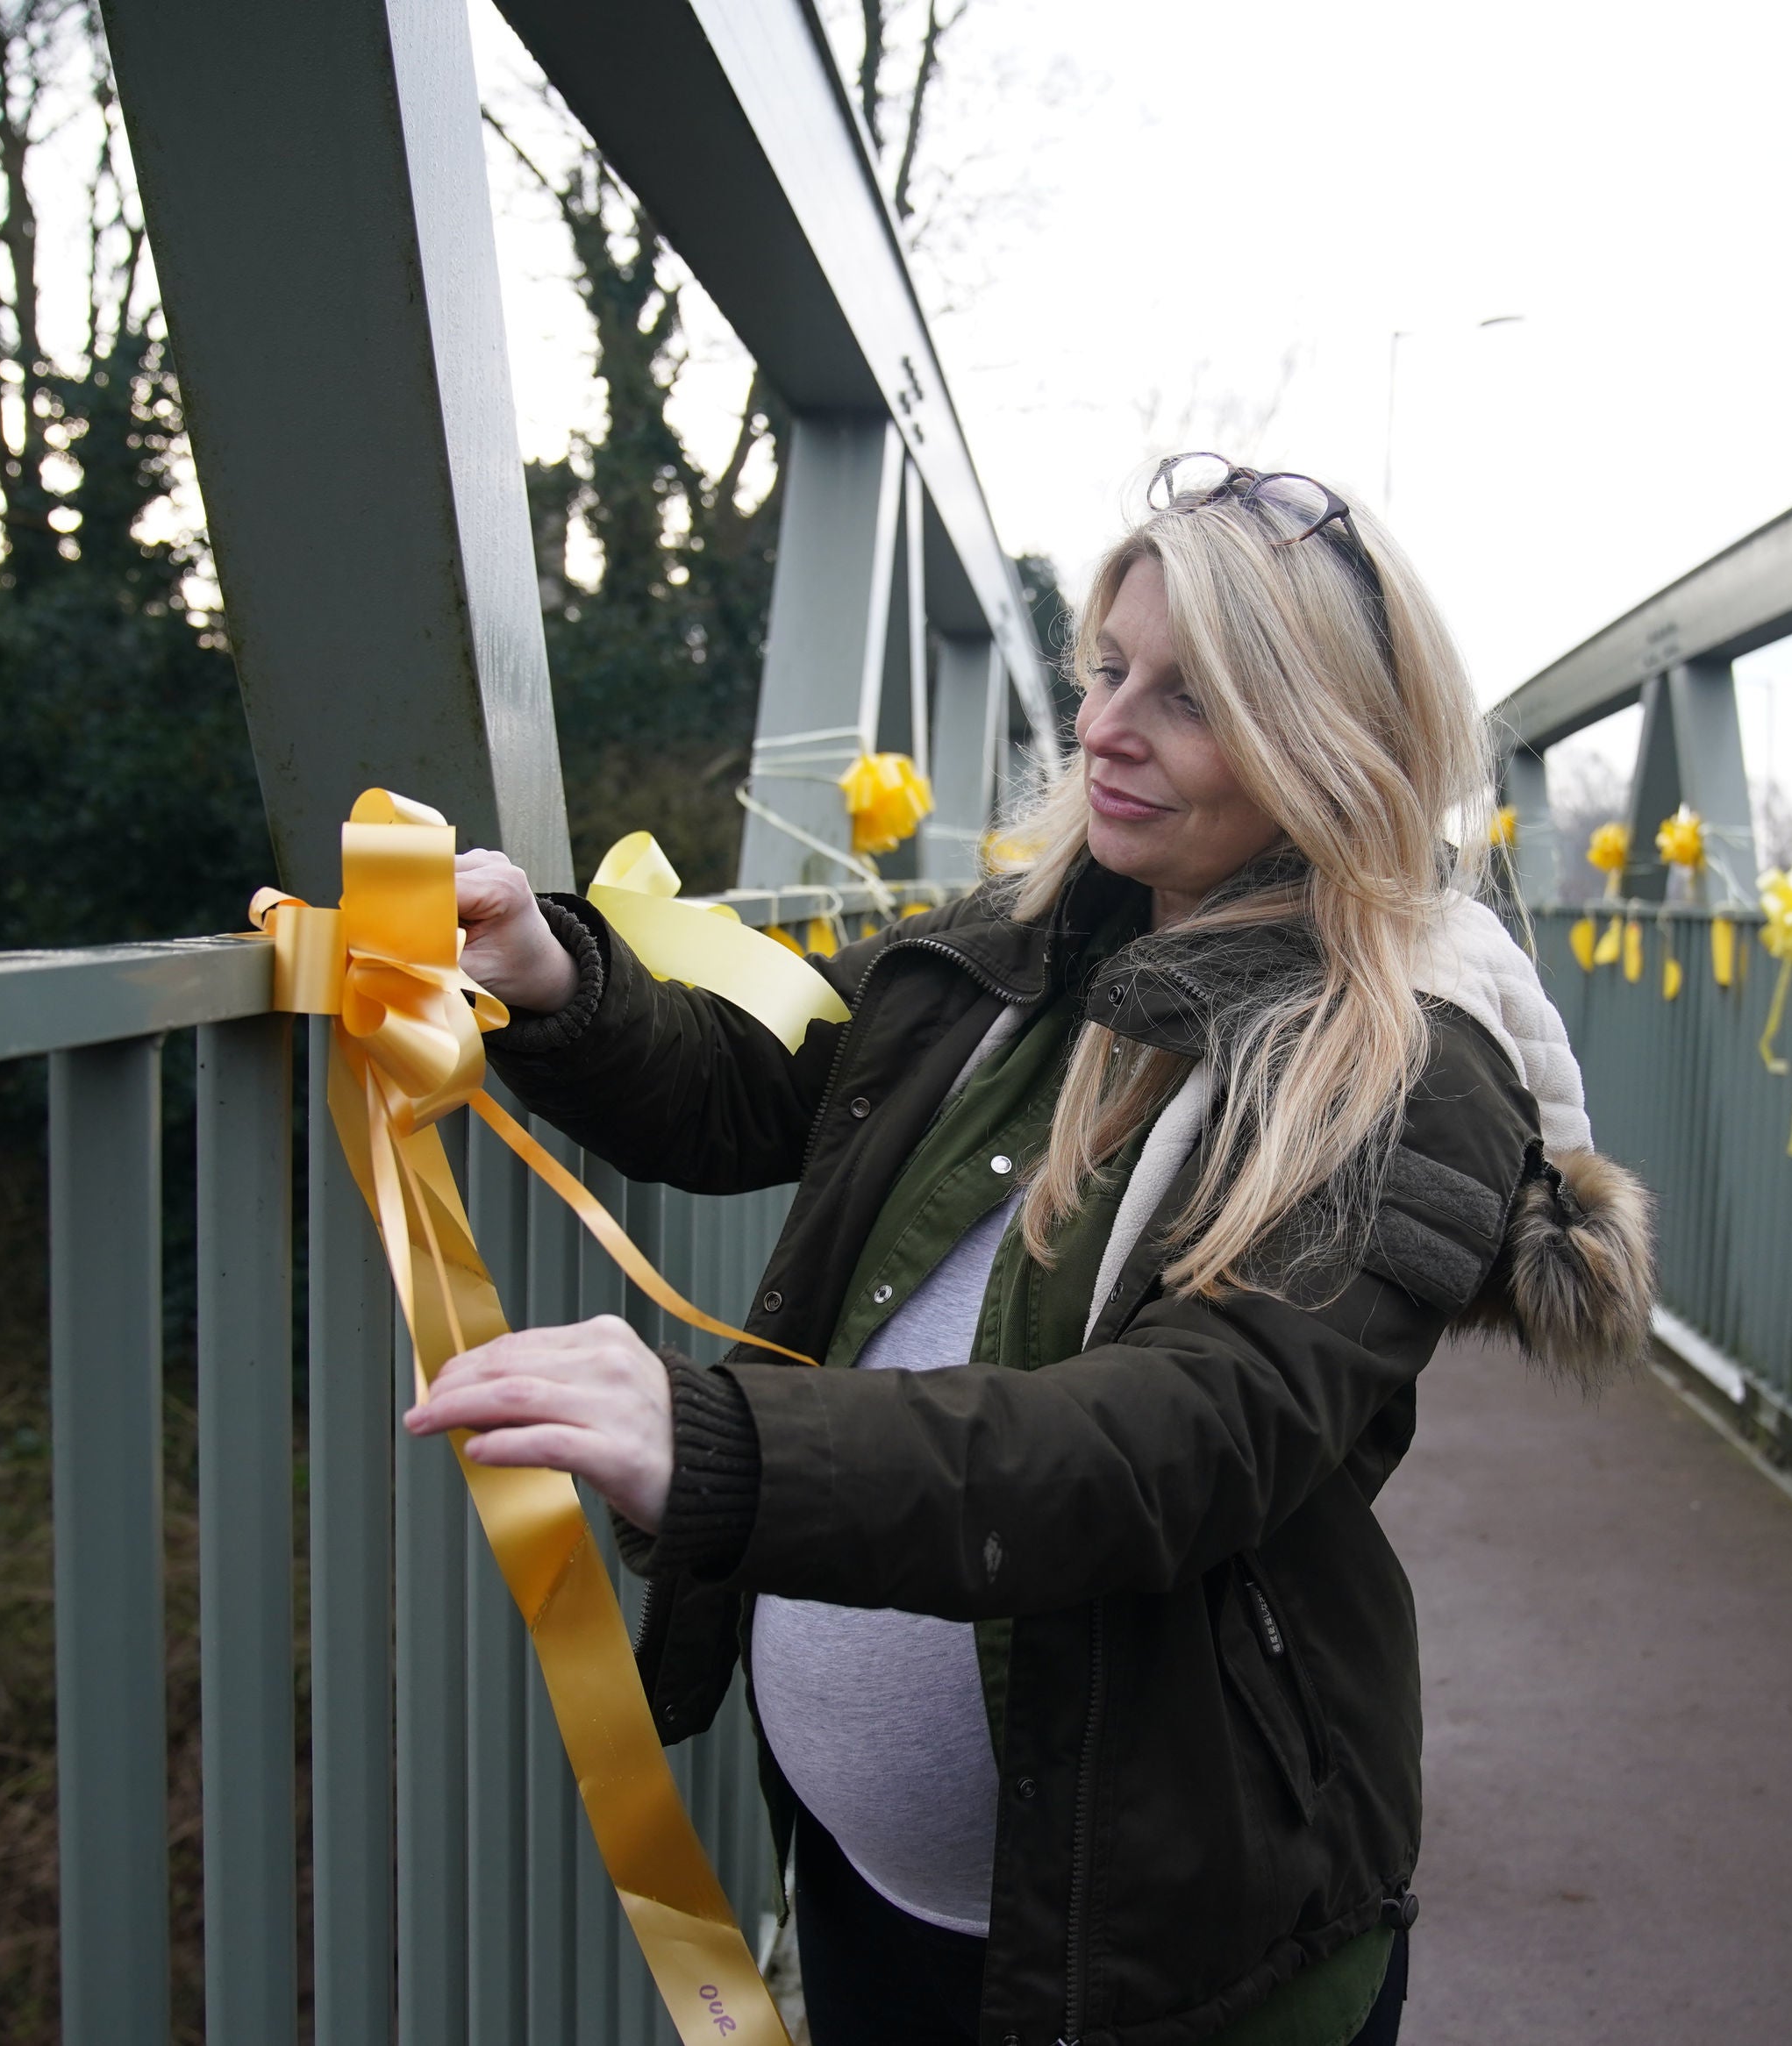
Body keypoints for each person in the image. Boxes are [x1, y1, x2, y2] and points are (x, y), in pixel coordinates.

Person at [418, 453, 1654, 2046]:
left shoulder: (1404, 1059)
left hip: (1152, 1961)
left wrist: (725, 1445)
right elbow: (759, 1095)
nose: (1104, 726)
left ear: (1323, 738)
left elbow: (1179, 1439)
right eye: (1106, 668)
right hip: (879, 1894)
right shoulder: (1037, 938)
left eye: (1187, 697)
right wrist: (550, 979)